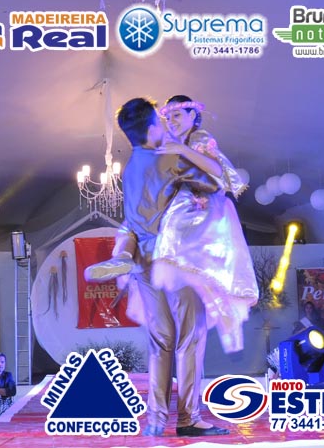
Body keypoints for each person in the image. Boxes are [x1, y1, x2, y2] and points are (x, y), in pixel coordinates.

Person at [87, 95, 258, 353]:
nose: (171, 121)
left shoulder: (198, 138)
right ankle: (123, 257)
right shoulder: (169, 144)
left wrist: (182, 151)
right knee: (132, 223)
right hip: (178, 201)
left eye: (177, 115)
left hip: (200, 204)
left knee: (160, 226)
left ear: (193, 115)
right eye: (167, 117)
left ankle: (138, 257)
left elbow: (217, 174)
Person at [115, 97, 228, 437]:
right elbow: (216, 181)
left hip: (143, 264)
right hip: (175, 260)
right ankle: (189, 418)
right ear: (153, 128)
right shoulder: (168, 158)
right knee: (190, 338)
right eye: (162, 120)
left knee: (160, 341)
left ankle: (156, 420)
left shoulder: (130, 167)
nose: (166, 124)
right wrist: (187, 152)